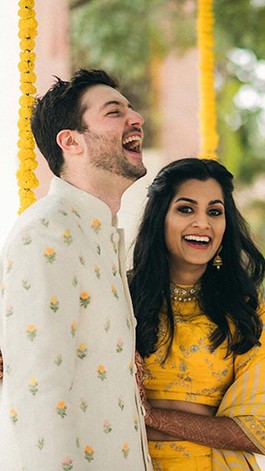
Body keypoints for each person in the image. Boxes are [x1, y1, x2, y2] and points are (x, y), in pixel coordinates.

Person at [0, 69, 153, 470]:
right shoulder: (47, 234)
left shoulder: (100, 235)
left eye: (131, 108)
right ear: (71, 141)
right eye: (114, 111)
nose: (136, 118)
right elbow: (37, 397)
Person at [130, 158, 265, 470]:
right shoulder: (122, 297)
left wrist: (150, 416)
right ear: (160, 217)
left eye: (215, 212)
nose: (203, 223)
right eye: (186, 209)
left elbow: (257, 430)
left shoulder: (244, 310)